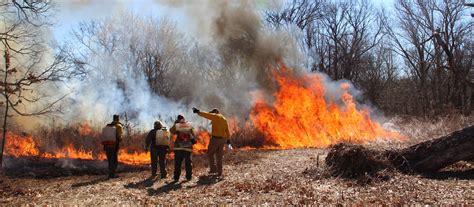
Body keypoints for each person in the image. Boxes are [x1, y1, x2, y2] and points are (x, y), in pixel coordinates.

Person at [192, 107, 231, 177]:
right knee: (219, 156)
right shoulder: (224, 119)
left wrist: (198, 112)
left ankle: (213, 169)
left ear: (214, 113)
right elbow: (227, 131)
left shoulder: (215, 116)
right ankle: (219, 172)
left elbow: (206, 115)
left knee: (210, 153)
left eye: (212, 114)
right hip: (222, 140)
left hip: (215, 140)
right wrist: (228, 140)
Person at [170, 115, 196, 182]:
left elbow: (171, 131)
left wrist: (175, 124)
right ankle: (189, 177)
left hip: (178, 147)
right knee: (188, 163)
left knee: (177, 163)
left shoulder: (177, 125)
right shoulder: (189, 124)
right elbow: (193, 134)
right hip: (188, 147)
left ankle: (176, 178)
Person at [103, 114, 123, 179]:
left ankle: (110, 174)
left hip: (107, 146)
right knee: (114, 161)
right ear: (118, 119)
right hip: (114, 146)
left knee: (110, 161)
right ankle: (112, 175)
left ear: (113, 118)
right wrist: (120, 139)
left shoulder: (108, 125)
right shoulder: (118, 126)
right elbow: (120, 138)